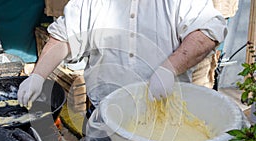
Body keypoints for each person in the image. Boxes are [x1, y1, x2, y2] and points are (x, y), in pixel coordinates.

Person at [18, 0, 227, 108]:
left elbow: (208, 31)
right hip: (105, 113)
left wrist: (169, 69)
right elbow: (64, 37)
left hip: (165, 112)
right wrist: (38, 75)